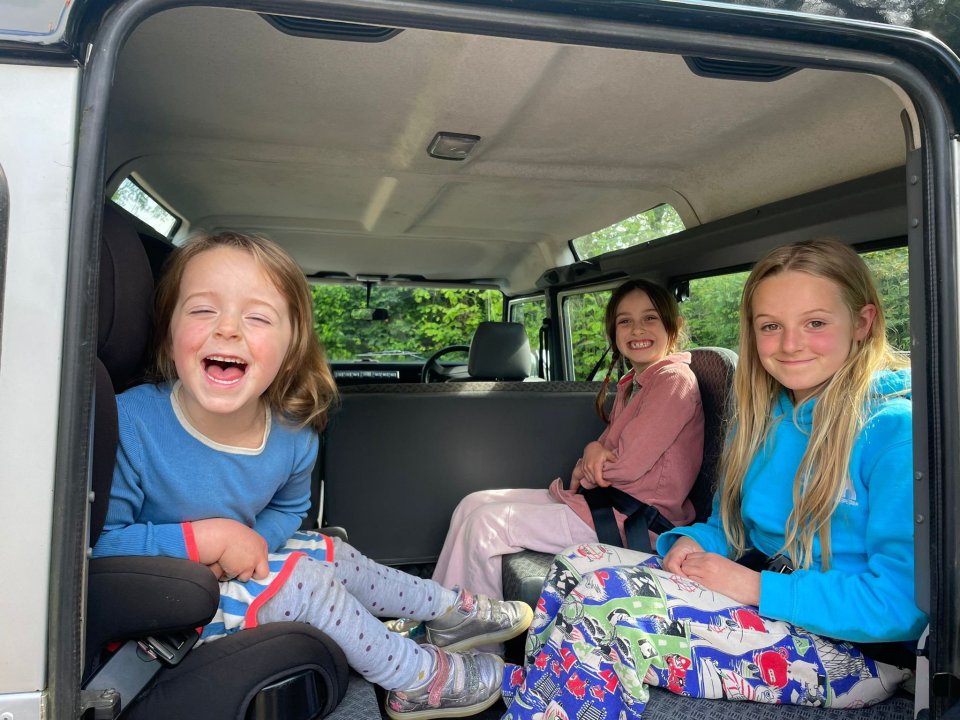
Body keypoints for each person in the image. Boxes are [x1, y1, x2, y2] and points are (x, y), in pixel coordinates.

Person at [91, 231, 534, 720]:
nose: (228, 330)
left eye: (257, 317)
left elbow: (289, 510)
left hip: (225, 577)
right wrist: (206, 541)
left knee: (328, 551)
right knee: (305, 579)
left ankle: (447, 612)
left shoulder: (292, 432)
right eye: (202, 310)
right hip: (161, 607)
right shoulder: (130, 423)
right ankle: (417, 680)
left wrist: (250, 543)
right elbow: (96, 549)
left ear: (290, 345)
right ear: (168, 328)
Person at [502, 239, 927, 720]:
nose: (790, 344)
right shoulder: (764, 418)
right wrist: (689, 542)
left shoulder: (892, 432)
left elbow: (903, 604)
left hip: (854, 650)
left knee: (608, 606)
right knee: (576, 562)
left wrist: (755, 588)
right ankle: (537, 701)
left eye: (815, 323)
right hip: (769, 599)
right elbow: (732, 526)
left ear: (863, 322)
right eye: (771, 326)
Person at [430, 279, 704, 600]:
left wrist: (591, 459)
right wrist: (593, 452)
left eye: (650, 318)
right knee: (473, 503)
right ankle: (438, 607)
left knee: (485, 525)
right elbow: (604, 455)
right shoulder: (634, 383)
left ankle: (470, 633)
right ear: (614, 333)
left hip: (636, 521)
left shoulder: (673, 381)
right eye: (625, 321)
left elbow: (623, 468)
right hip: (605, 504)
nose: (636, 330)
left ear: (675, 326)